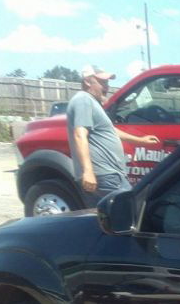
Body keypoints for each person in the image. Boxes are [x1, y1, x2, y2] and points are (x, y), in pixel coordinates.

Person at [67, 64, 160, 204]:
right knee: (129, 210)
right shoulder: (83, 100)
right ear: (87, 81)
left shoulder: (91, 102)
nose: (107, 87)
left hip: (106, 175)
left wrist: (141, 141)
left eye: (107, 83)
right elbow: (80, 134)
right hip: (105, 175)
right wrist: (88, 171)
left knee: (105, 219)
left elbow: (109, 131)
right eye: (102, 82)